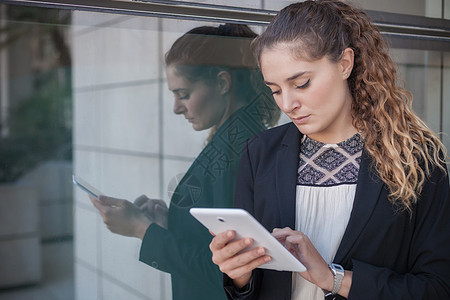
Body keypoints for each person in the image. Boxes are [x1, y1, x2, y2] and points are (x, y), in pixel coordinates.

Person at [209, 1, 450, 299]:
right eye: (274, 89)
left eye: (302, 83)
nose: (287, 104)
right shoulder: (259, 153)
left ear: (345, 64)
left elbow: (437, 289)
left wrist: (333, 278)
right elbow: (249, 290)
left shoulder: (415, 158)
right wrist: (240, 275)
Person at [90, 24, 280, 300]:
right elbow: (213, 242)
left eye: (183, 94)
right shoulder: (236, 142)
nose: (177, 108)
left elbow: (229, 270)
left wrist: (142, 230)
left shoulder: (238, 151)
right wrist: (171, 222)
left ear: (223, 83)